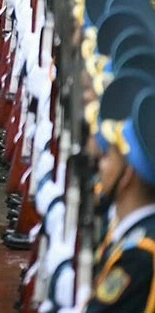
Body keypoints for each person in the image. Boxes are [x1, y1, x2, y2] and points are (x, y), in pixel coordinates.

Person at [89, 89, 155, 311]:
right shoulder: (132, 231)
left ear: (127, 175)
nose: (101, 164)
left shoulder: (139, 255)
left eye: (109, 157)